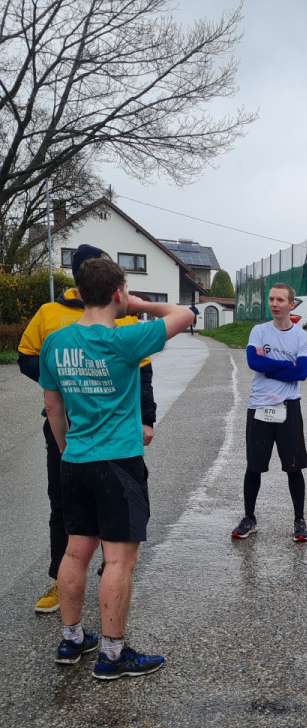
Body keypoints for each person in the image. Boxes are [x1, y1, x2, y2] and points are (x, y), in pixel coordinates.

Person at [38, 257, 194, 677]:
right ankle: (111, 655)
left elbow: (53, 407)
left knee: (75, 551)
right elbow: (185, 314)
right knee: (118, 560)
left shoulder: (55, 342)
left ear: (79, 293)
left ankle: (72, 639)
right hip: (118, 464)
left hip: (75, 460)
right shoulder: (126, 338)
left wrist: (68, 451)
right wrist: (140, 305)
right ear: (117, 293)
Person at [18, 244, 157, 614]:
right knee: (63, 508)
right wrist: (70, 380)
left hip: (97, 435)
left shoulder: (122, 319)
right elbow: (25, 358)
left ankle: (102, 581)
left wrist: (147, 418)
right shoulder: (49, 313)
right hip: (70, 429)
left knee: (104, 517)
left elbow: (144, 372)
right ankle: (60, 580)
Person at [232, 283, 307, 542]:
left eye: (280, 300)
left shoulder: (302, 338)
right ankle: (249, 518)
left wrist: (268, 368)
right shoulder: (259, 331)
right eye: (271, 299)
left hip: (289, 407)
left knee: (294, 467)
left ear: (291, 304)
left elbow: (302, 372)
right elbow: (253, 362)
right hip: (259, 406)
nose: (274, 304)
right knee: (254, 466)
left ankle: (299, 520)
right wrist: (286, 365)